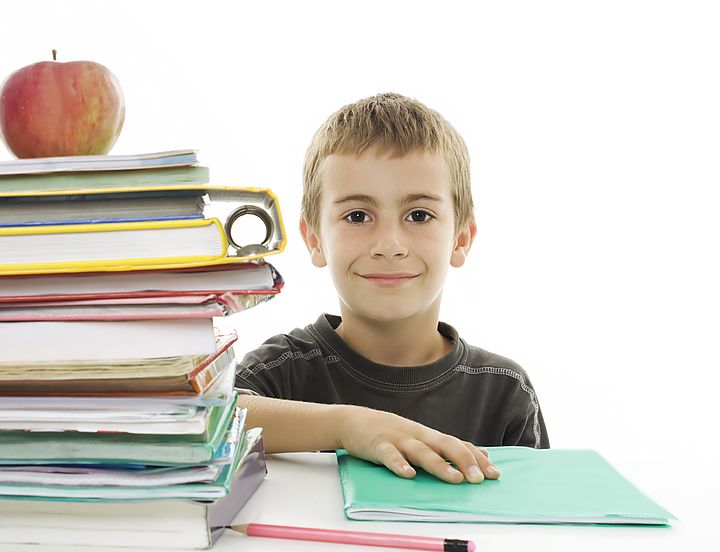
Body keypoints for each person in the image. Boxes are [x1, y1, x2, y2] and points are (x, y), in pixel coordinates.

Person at [235, 92, 548, 483]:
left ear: (461, 238)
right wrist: (348, 425)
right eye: (357, 215)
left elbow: (534, 529)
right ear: (314, 238)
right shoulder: (278, 375)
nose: (389, 246)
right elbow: (214, 419)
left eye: (419, 215)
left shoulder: (503, 392)